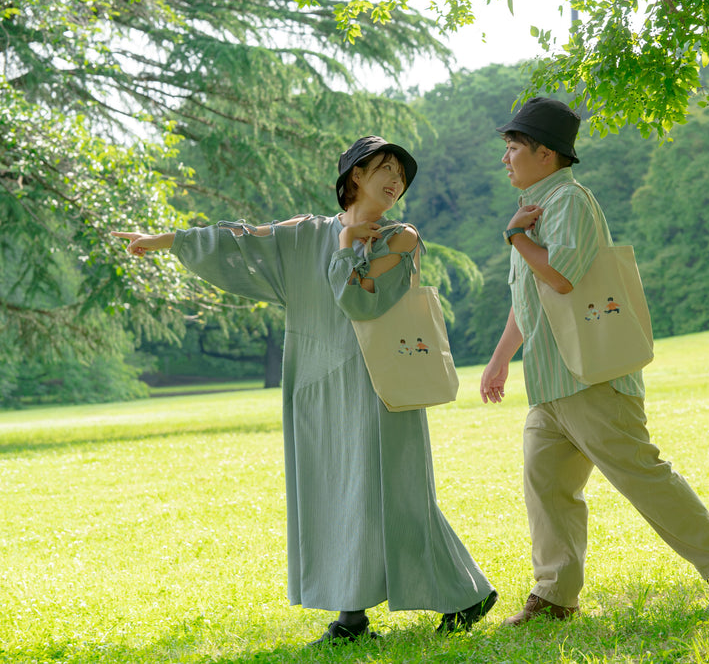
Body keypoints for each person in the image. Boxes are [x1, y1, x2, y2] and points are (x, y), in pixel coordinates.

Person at [112, 136, 497, 644]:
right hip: (316, 383)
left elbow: (360, 303)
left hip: (379, 385)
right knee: (330, 492)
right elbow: (242, 240)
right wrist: (165, 240)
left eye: (401, 174)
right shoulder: (305, 232)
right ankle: (351, 618)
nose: (395, 180)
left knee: (398, 494)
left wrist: (346, 247)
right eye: (384, 168)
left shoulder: (401, 238)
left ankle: (466, 594)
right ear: (354, 176)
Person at [479, 98, 709, 626]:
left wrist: (517, 236)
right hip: (550, 380)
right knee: (546, 486)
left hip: (591, 376)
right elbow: (530, 299)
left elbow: (560, 275)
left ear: (546, 154)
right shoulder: (534, 208)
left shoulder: (567, 201)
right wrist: (499, 361)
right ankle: (555, 594)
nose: (506, 158)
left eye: (513, 147)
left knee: (639, 474)